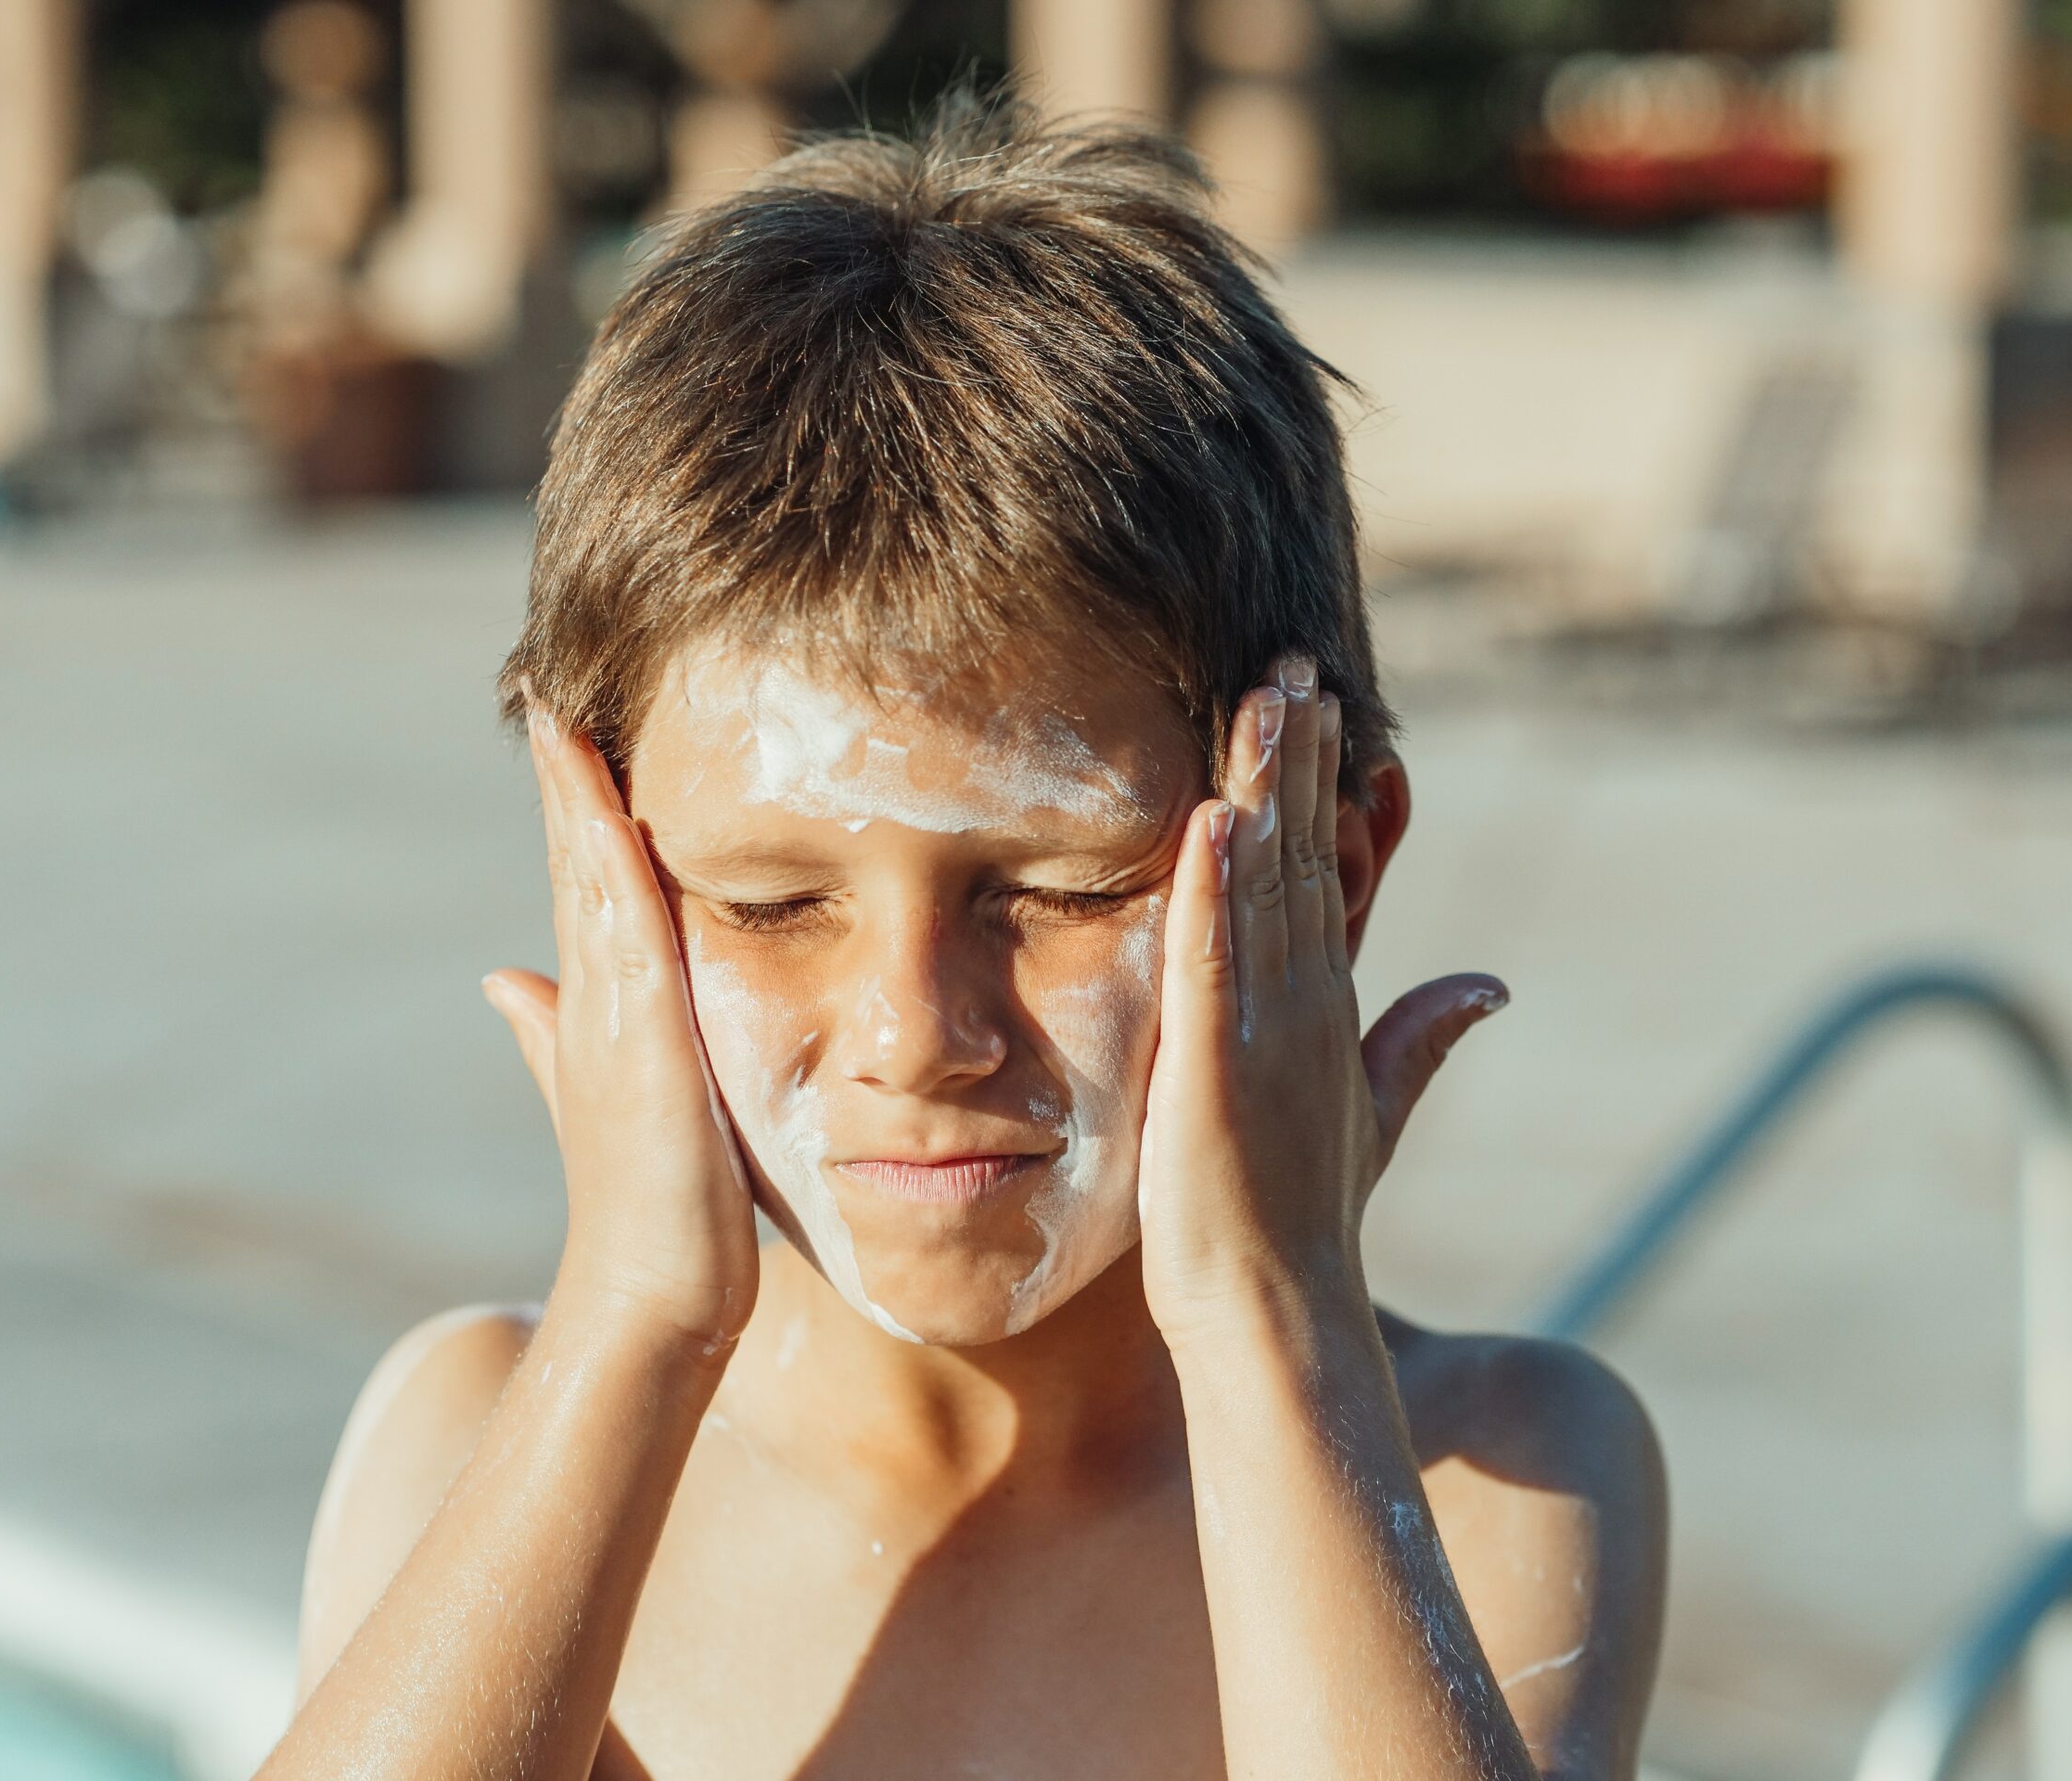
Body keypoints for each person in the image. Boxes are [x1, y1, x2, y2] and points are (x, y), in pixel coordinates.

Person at [262, 95, 1668, 1781]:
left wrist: (1270, 1337)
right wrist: (635, 1318)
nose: (914, 1031)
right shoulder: (486, 1438)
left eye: (1060, 891)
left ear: (1335, 875)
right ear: (610, 892)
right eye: (770, 903)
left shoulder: (1488, 1474)